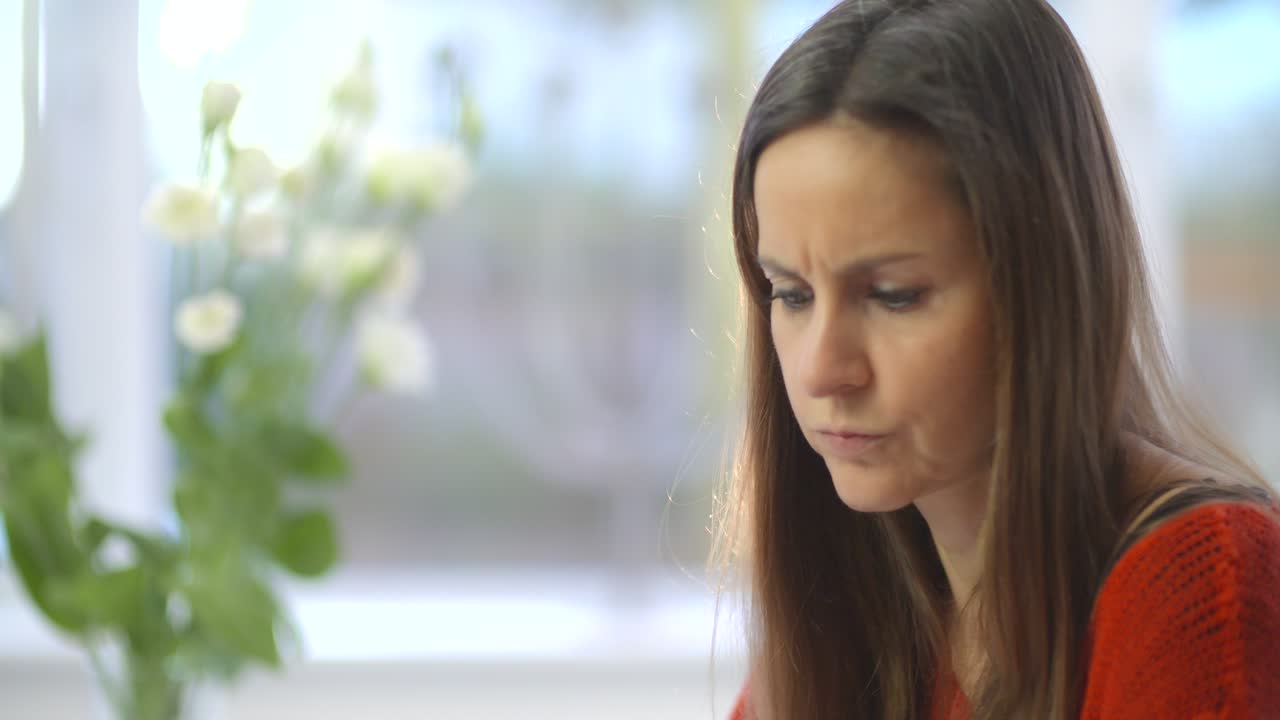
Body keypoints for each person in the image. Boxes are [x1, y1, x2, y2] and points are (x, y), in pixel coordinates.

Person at [712, 0, 1280, 717]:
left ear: (1041, 286)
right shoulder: (858, 607)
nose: (822, 370)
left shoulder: (1199, 588)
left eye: (892, 295)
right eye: (791, 294)